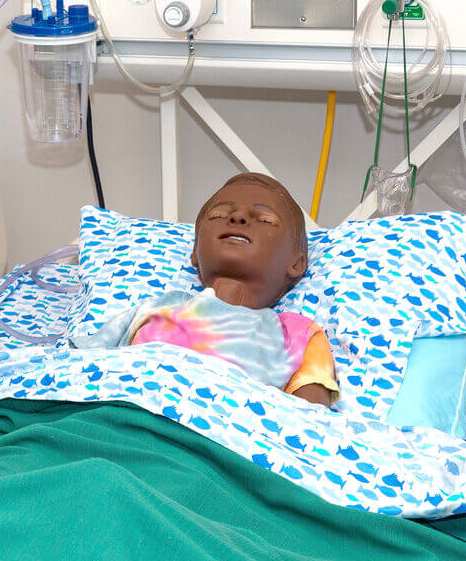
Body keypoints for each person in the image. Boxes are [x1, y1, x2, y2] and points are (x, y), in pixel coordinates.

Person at [74, 173, 338, 407]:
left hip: (214, 441)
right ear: (194, 253)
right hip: (118, 421)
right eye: (219, 215)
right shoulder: (157, 306)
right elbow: (78, 370)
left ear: (296, 264)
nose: (237, 217)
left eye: (266, 219)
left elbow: (308, 421)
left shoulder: (299, 333)